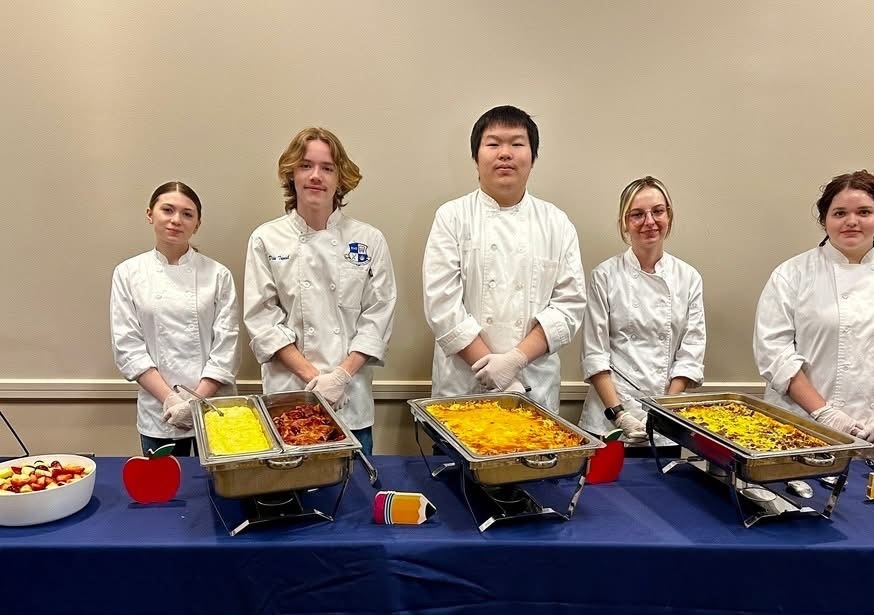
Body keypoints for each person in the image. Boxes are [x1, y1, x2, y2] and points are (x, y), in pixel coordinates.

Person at [753, 170, 874, 458]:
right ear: (824, 219)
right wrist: (826, 414)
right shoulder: (791, 275)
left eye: (864, 212)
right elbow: (775, 355)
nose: (851, 221)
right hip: (802, 429)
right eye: (839, 213)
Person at [422, 105, 586, 414]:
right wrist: (493, 372)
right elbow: (442, 305)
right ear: (476, 158)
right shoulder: (451, 217)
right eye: (493, 143)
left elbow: (569, 307)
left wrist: (514, 361)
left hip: (532, 386)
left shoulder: (557, 223)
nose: (505, 153)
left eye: (517, 143)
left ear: (533, 157)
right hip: (463, 388)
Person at [243, 127, 397, 456]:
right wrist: (314, 378)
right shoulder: (265, 239)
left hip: (350, 398)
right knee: (292, 499)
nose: (316, 176)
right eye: (306, 166)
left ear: (341, 178)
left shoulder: (369, 240)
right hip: (290, 395)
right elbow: (263, 320)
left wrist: (340, 377)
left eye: (327, 168)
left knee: (354, 494)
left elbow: (378, 316)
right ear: (291, 174)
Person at [110, 181, 240, 456]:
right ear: (150, 214)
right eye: (167, 210)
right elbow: (128, 347)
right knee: (167, 492)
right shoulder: (128, 273)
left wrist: (195, 402)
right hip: (160, 410)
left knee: (219, 491)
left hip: (214, 405)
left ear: (197, 224)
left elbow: (226, 346)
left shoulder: (218, 275)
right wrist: (170, 399)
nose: (176, 220)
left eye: (187, 214)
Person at [579, 176, 706, 449]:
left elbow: (690, 353)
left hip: (664, 422)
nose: (649, 221)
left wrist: (664, 412)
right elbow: (595, 354)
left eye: (657, 211)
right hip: (607, 420)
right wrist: (619, 415)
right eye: (637, 214)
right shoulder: (605, 275)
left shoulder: (689, 278)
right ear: (625, 222)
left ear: (669, 216)